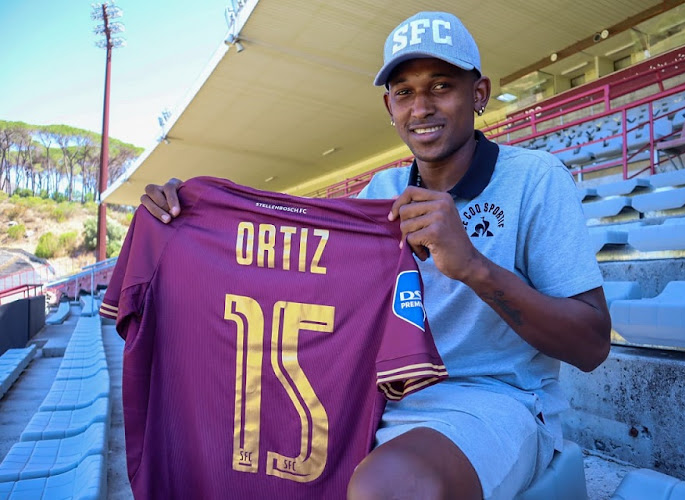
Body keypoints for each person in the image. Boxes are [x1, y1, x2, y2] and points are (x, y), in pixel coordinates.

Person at [140, 11, 611, 500]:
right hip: (376, 393)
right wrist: (188, 218)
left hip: (493, 398)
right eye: (404, 92)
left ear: (479, 94)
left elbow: (592, 345)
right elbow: (283, 278)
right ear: (389, 105)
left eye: (441, 85)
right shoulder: (376, 195)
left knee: (390, 489)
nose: (421, 107)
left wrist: (473, 267)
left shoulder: (536, 178)